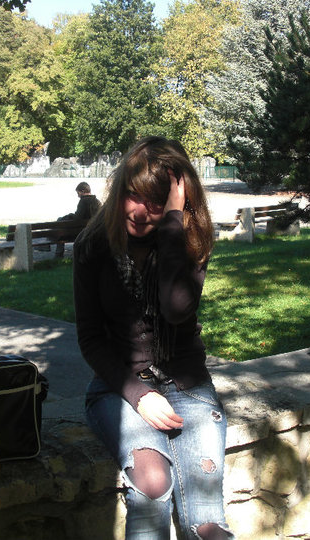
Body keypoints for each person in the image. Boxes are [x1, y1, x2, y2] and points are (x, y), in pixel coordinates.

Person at [73, 136, 232, 540]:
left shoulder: (188, 241)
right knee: (152, 481)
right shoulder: (93, 246)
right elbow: (90, 339)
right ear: (118, 190)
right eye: (132, 195)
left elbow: (176, 309)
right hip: (119, 386)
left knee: (207, 524)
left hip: (187, 383)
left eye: (157, 202)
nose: (140, 211)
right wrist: (140, 395)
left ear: (180, 201)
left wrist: (173, 225)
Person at [51, 182, 101, 257]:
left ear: (83, 191)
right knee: (61, 222)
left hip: (79, 233)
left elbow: (77, 219)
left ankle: (58, 254)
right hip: (93, 231)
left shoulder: (83, 201)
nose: (78, 196)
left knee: (60, 228)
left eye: (78, 193)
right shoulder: (97, 201)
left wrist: (70, 216)